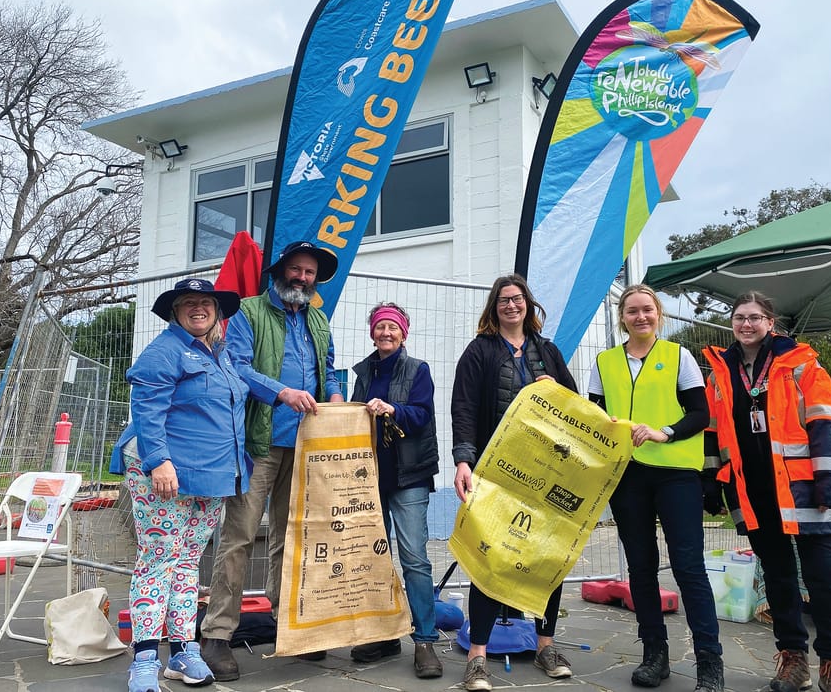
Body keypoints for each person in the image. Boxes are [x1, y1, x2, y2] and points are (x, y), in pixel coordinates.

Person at [200, 241, 345, 681]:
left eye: (309, 272)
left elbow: (331, 368)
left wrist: (335, 396)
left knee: (290, 537)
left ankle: (288, 625)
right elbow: (235, 366)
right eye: (296, 269)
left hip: (305, 446)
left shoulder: (318, 319)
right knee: (240, 535)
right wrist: (280, 391)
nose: (302, 277)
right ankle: (217, 635)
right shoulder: (246, 312)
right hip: (257, 443)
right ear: (280, 271)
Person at [703, 292, 831, 692]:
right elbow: (714, 432)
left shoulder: (802, 364)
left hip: (805, 489)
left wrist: (830, 484)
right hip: (754, 492)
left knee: (825, 579)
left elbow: (827, 425)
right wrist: (712, 482)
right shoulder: (720, 372)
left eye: (755, 317)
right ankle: (793, 659)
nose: (746, 324)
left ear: (771, 323)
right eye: (739, 318)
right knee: (779, 578)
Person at [110, 278, 250, 692]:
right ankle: (145, 659)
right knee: (158, 562)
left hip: (210, 475)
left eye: (204, 302)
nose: (197, 309)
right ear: (176, 311)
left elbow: (244, 390)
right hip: (166, 473)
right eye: (188, 303)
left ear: (216, 311)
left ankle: (184, 651)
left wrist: (287, 393)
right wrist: (159, 462)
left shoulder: (220, 355)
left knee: (188, 564)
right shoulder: (164, 351)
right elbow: (148, 408)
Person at [588, 284, 723, 692]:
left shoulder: (678, 356)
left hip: (675, 473)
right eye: (632, 311)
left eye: (647, 310)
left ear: (658, 314)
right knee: (641, 568)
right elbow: (592, 414)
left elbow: (701, 414)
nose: (640, 317)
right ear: (622, 317)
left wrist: (666, 432)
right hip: (627, 475)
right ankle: (655, 654)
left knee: (688, 566)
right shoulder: (605, 361)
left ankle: (709, 663)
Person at [451, 274, 578, 691]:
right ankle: (478, 657)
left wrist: (556, 388)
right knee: (489, 559)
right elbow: (464, 408)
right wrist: (464, 460)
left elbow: (575, 407)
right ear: (494, 307)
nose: (511, 306)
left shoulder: (549, 352)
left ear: (529, 305)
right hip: (495, 473)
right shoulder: (479, 352)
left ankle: (545, 646)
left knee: (548, 559)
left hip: (546, 476)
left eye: (517, 299)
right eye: (503, 300)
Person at [348, 303, 443, 679]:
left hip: (409, 477)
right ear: (372, 332)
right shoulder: (363, 371)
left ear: (404, 333)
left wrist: (392, 409)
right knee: (373, 560)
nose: (386, 333)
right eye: (380, 327)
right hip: (369, 477)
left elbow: (422, 415)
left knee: (414, 558)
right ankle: (385, 635)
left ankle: (424, 640)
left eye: (393, 328)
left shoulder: (418, 370)